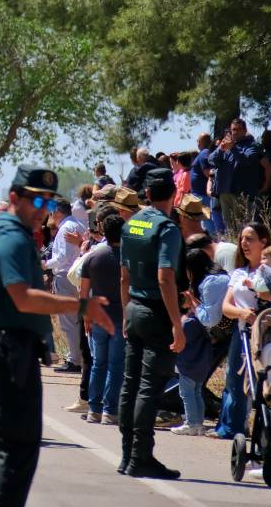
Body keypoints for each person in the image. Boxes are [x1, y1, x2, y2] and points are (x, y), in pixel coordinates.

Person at [0, 164, 113, 507]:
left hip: (0, 349)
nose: (42, 210)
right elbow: (23, 298)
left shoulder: (12, 235)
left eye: (48, 202)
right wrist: (81, 306)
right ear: (14, 198)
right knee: (18, 449)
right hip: (7, 353)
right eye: (35, 200)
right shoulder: (11, 238)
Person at [117, 167, 185, 479]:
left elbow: (124, 277)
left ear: (146, 194)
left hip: (133, 308)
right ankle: (141, 457)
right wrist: (177, 323)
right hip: (157, 312)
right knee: (148, 387)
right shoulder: (167, 229)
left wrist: (125, 314)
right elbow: (165, 277)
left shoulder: (132, 224)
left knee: (130, 383)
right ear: (173, 194)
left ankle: (127, 454)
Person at [213, 222, 271, 439]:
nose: (244, 243)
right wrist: (241, 314)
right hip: (242, 333)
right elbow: (226, 307)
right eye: (242, 239)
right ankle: (232, 428)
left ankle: (267, 429)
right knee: (234, 381)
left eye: (250, 239)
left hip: (267, 335)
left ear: (263, 242)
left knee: (264, 384)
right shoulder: (239, 273)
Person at [173, 248, 230, 436]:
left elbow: (209, 319)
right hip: (207, 355)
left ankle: (192, 422)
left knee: (187, 393)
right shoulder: (223, 277)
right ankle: (196, 422)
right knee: (196, 392)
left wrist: (194, 303)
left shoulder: (209, 284)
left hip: (188, 364)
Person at [79, 213, 125, 425]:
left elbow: (84, 291)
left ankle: (94, 409)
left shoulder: (93, 257)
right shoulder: (127, 257)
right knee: (115, 365)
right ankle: (109, 410)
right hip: (120, 316)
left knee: (98, 363)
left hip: (97, 314)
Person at [43, 198, 86, 373]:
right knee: (75, 320)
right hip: (75, 277)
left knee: (68, 321)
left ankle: (74, 360)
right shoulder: (78, 225)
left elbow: (62, 258)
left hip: (65, 276)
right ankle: (76, 357)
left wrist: (45, 264)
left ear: (58, 212)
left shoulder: (65, 229)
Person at [209, 118, 265, 226]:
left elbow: (247, 160)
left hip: (241, 193)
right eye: (233, 130)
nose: (235, 132)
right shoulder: (226, 145)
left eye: (238, 129)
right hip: (224, 191)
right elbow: (211, 159)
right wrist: (221, 149)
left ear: (244, 131)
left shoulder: (251, 145)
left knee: (242, 226)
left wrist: (233, 148)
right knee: (229, 226)